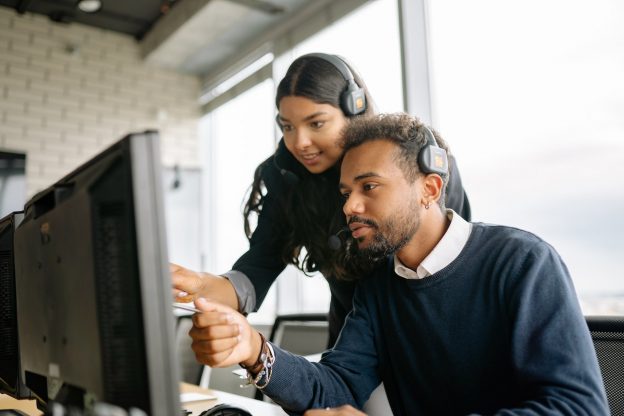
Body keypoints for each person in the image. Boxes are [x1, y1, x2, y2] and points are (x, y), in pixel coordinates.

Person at [187, 113, 609, 415]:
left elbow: (577, 407)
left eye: (369, 186)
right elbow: (338, 383)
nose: (350, 205)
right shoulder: (379, 286)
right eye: (346, 191)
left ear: (429, 188)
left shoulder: (522, 263)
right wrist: (255, 350)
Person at [172, 53, 471, 346]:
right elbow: (257, 268)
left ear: (354, 111)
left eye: (316, 124)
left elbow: (457, 265)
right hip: (351, 348)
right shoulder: (287, 179)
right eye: (287, 126)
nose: (299, 143)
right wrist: (201, 285)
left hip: (427, 338)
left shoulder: (421, 166)